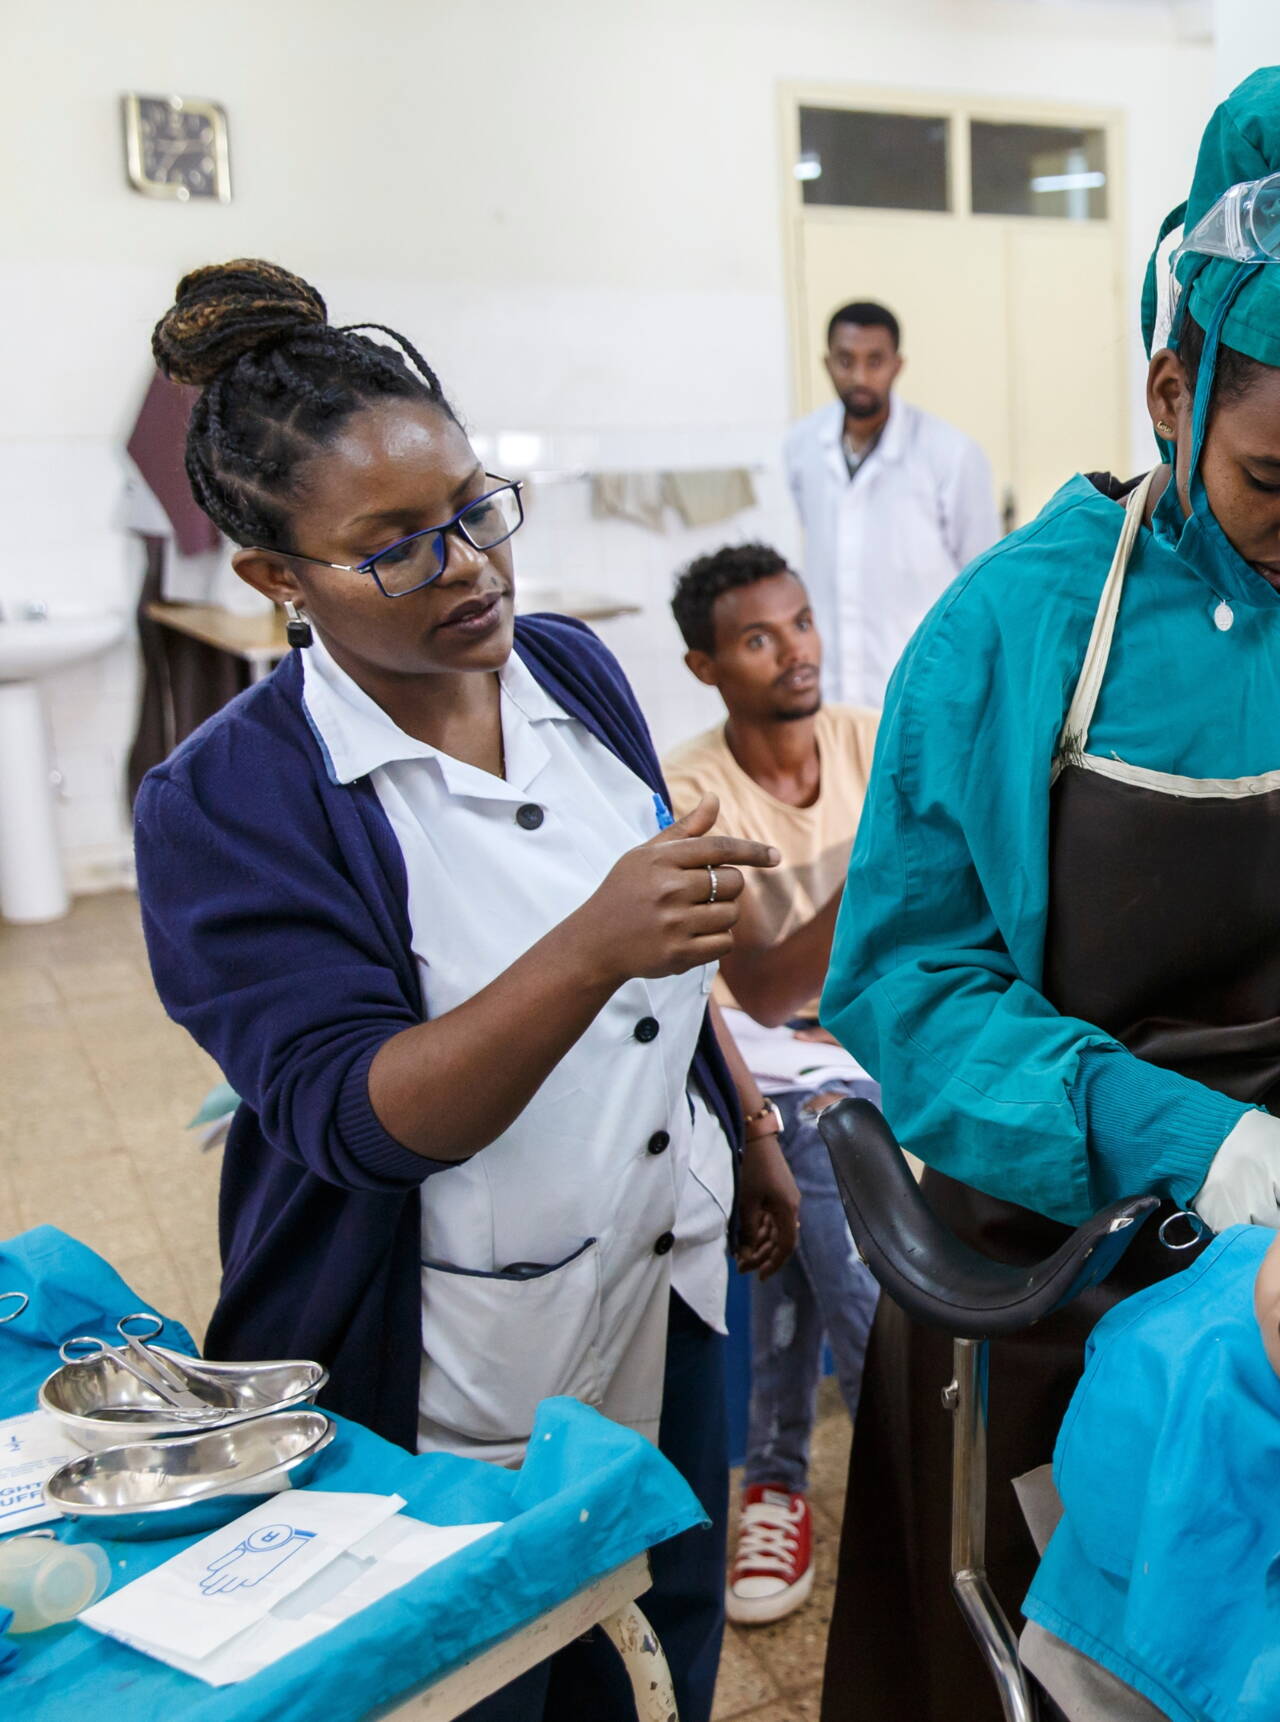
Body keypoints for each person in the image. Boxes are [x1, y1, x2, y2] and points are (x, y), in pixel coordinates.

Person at [815, 66, 1280, 1722]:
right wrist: (1177, 1137)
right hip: (1045, 1256)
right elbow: (915, 980)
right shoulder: (1016, 629)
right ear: (1170, 386)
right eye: (1274, 475)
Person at [131, 260, 801, 1722]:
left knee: (658, 1611)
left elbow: (663, 944)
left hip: (665, 1258)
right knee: (485, 1664)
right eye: (395, 546)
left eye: (473, 509)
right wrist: (587, 945)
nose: (467, 566)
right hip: (446, 1330)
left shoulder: (567, 668)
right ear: (276, 576)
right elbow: (355, 1121)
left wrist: (743, 1124)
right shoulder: (231, 800)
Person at [661, 542, 884, 1627]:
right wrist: (880, 876)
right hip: (763, 1064)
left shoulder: (867, 743)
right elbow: (757, 989)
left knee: (798, 1181)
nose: (796, 652)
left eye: (799, 622)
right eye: (758, 637)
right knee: (821, 1139)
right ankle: (913, 1464)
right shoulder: (689, 790)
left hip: (874, 1043)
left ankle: (776, 1484)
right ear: (705, 666)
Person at [782, 301, 1000, 708]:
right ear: (827, 363)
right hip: (830, 693)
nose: (859, 376)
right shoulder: (802, 447)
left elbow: (984, 580)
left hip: (921, 688)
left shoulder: (949, 454)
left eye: (874, 361)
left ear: (897, 365)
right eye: (845, 360)